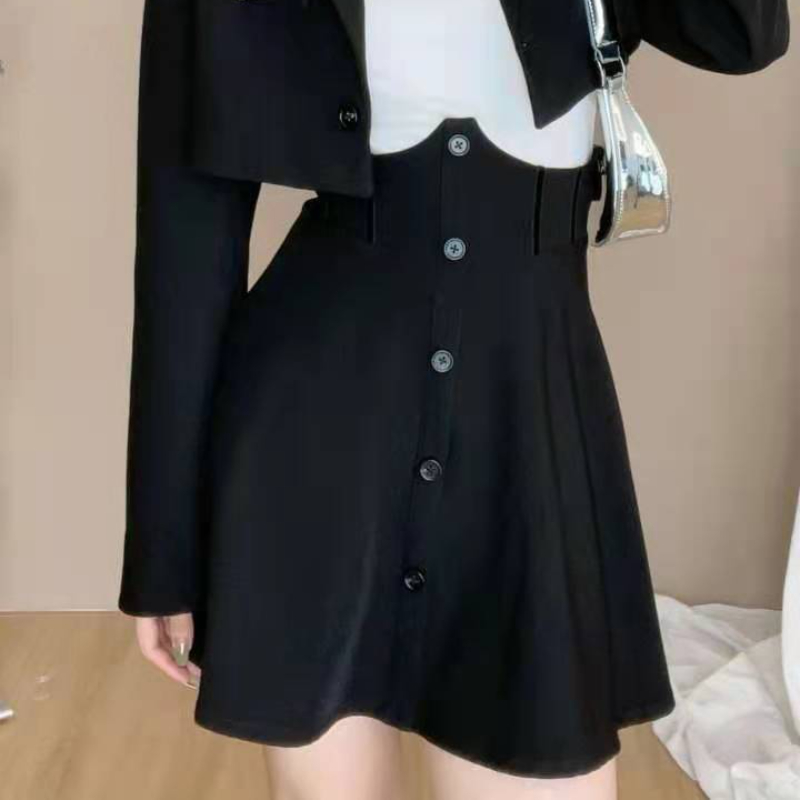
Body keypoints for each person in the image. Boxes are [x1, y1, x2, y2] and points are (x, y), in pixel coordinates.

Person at [118, 1, 791, 798]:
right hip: (318, 433)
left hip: (526, 422)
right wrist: (164, 552)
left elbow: (743, 34)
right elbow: (185, 232)